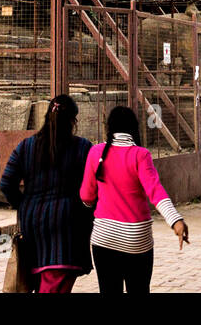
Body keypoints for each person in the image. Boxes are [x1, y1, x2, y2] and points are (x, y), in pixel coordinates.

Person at [80, 106, 188, 294]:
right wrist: (175, 220)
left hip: (104, 238)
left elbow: (86, 197)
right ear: (133, 128)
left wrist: (91, 205)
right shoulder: (141, 155)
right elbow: (155, 191)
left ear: (109, 127)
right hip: (136, 240)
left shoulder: (96, 152)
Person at [0, 94, 94, 292]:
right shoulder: (82, 148)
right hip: (67, 226)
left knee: (42, 278)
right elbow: (93, 187)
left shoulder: (26, 147)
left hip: (33, 223)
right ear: (73, 121)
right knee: (53, 284)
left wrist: (23, 204)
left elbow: (6, 182)